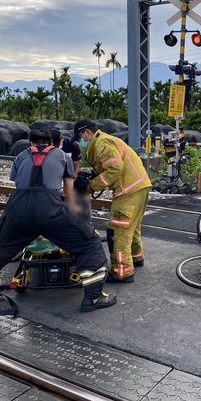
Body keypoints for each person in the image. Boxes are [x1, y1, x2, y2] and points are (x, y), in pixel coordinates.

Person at [0, 128, 116, 312]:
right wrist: (74, 217)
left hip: (19, 207)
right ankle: (93, 298)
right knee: (89, 243)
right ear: (53, 143)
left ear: (31, 143)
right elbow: (69, 193)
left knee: (1, 246)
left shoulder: (20, 156)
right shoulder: (63, 156)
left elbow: (19, 185)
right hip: (50, 208)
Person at [73, 119, 152, 283]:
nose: (81, 141)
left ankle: (121, 272)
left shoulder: (102, 143)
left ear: (87, 132)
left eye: (81, 136)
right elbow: (109, 167)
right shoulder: (105, 141)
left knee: (118, 231)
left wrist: (90, 186)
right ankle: (137, 258)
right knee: (132, 226)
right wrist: (91, 176)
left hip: (128, 190)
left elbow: (115, 169)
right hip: (139, 186)